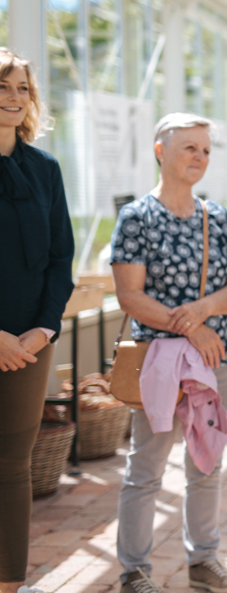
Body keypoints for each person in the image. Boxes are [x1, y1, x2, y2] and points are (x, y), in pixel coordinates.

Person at [111, 113, 227, 593]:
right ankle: (134, 569)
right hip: (159, 360)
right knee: (146, 465)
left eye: (206, 150)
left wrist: (201, 313)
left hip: (217, 357)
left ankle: (203, 560)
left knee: (206, 461)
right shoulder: (136, 218)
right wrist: (192, 329)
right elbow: (130, 295)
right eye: (189, 147)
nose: (199, 157)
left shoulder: (217, 217)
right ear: (159, 150)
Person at [0, 48, 74, 593]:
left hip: (30, 342)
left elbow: (60, 258)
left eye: (22, 88)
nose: (13, 98)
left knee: (12, 466)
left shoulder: (45, 169)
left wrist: (43, 328)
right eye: (3, 86)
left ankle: (8, 581)